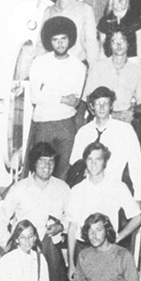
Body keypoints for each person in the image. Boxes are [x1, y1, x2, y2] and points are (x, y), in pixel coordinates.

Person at [0, 143, 71, 281]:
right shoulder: (19, 188)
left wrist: (61, 227)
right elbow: (2, 219)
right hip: (25, 250)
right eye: (42, 161)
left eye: (51, 161)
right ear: (33, 164)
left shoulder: (63, 188)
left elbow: (71, 218)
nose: (47, 166)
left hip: (51, 247)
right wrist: (9, 247)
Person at [66, 142, 141, 281]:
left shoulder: (117, 187)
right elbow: (72, 228)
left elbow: (137, 217)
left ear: (105, 162)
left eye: (98, 159)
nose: (93, 164)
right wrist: (71, 263)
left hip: (107, 248)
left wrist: (118, 237)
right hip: (83, 249)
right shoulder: (77, 190)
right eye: (90, 159)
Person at [29, 16, 87, 179]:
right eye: (55, 40)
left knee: (63, 172)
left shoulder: (78, 66)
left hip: (66, 124)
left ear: (70, 40)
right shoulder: (39, 63)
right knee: (41, 171)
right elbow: (35, 97)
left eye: (63, 39)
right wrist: (62, 98)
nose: (60, 43)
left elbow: (74, 101)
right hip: (43, 124)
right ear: (49, 41)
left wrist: (47, 92)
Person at [70, 85, 141, 196]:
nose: (101, 107)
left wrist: (138, 196)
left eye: (105, 103)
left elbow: (136, 165)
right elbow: (74, 162)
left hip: (113, 191)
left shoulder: (125, 130)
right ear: (91, 106)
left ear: (111, 106)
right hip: (87, 190)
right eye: (98, 103)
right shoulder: (83, 132)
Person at [85, 28, 141, 146]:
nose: (119, 45)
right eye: (114, 41)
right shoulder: (98, 68)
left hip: (127, 118)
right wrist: (113, 115)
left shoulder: (135, 70)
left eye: (122, 40)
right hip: (102, 115)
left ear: (128, 43)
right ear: (109, 46)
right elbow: (88, 98)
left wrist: (132, 112)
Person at [41, 0, 99, 66]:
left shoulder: (85, 9)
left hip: (79, 65)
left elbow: (91, 42)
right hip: (54, 66)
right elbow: (41, 43)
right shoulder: (49, 12)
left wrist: (93, 68)